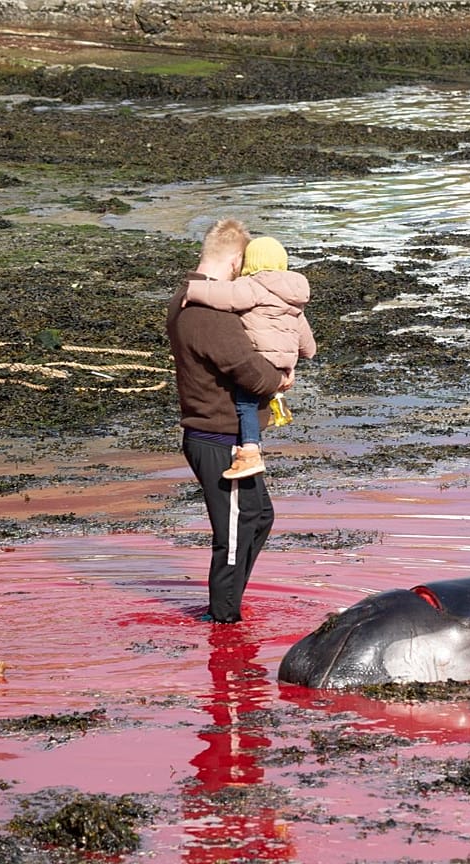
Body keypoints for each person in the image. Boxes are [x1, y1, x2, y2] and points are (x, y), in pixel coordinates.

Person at [166, 218, 286, 624]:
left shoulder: (188, 297)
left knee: (259, 517)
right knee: (234, 533)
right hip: (217, 438)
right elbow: (252, 372)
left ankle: (227, 604)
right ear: (236, 261)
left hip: (220, 436)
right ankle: (222, 620)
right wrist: (281, 377)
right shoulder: (208, 313)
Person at [182, 236, 316, 480]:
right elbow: (306, 341)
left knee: (246, 405)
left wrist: (193, 290)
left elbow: (224, 296)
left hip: (261, 360)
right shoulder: (294, 295)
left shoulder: (253, 285)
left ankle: (250, 453)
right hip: (283, 362)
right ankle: (266, 420)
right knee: (259, 402)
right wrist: (297, 359)